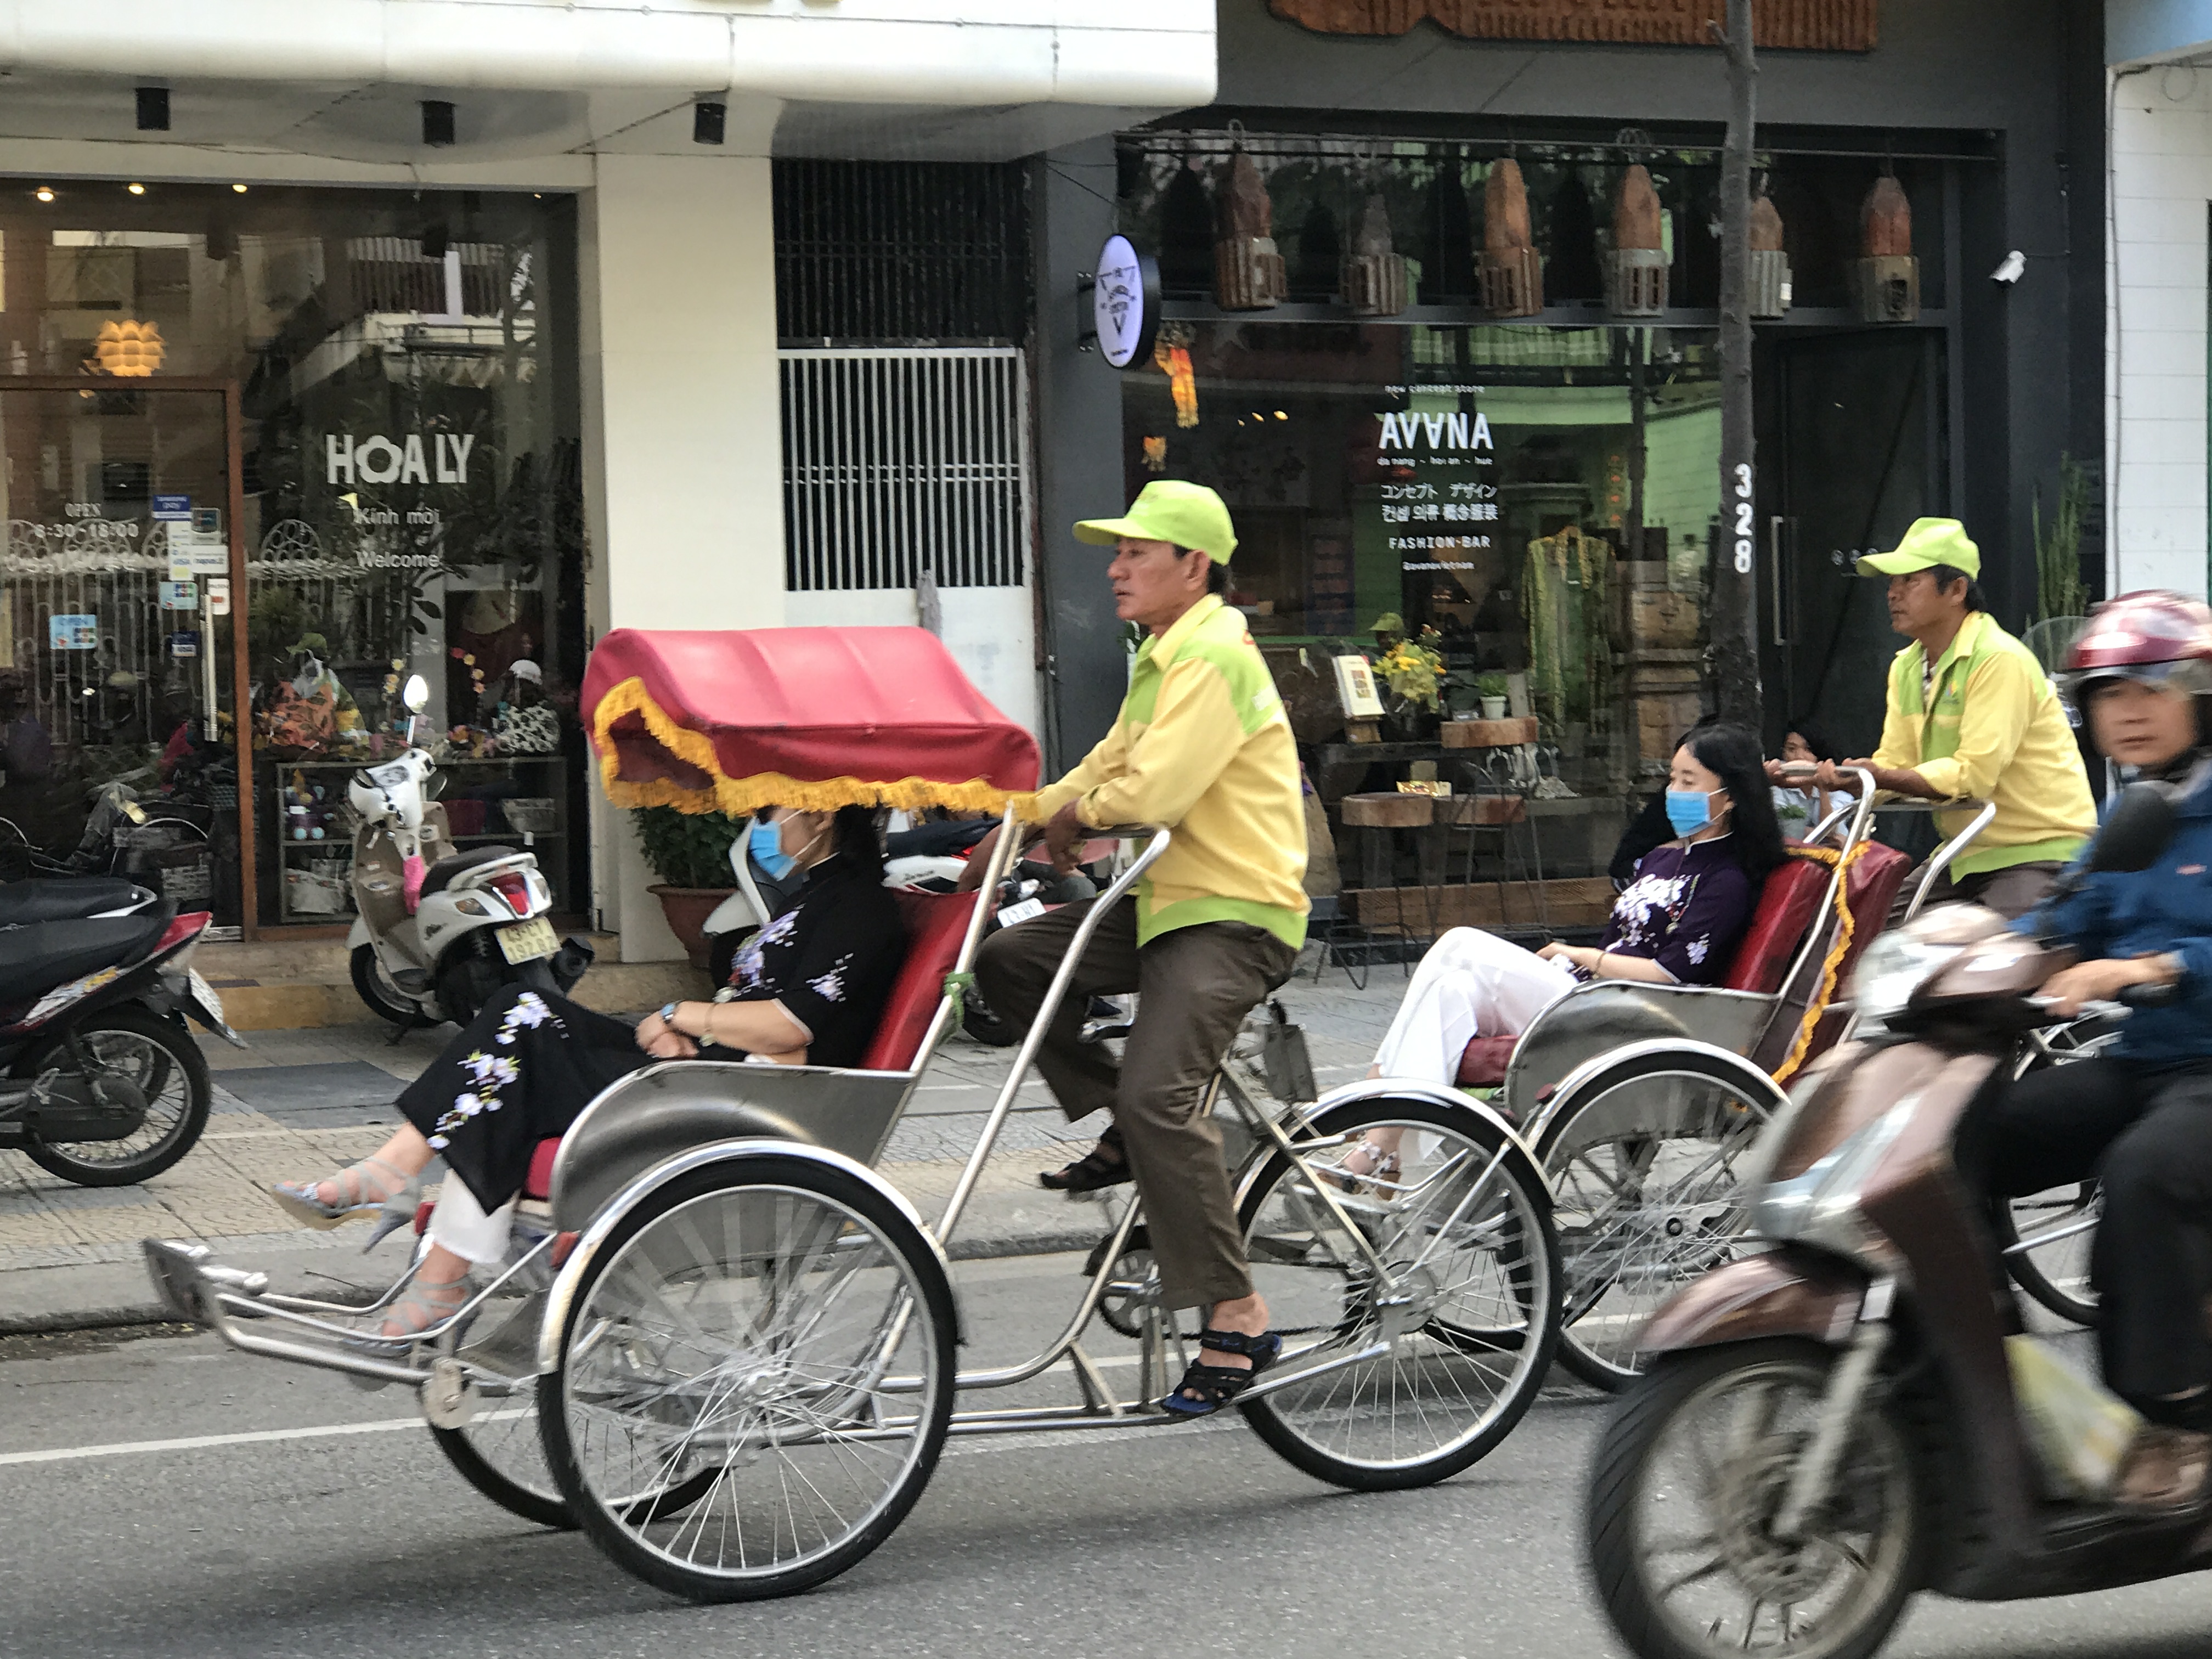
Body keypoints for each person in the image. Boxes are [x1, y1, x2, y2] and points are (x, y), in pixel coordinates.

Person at [269, 804, 906, 1340]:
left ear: (819, 814)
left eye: (772, 811)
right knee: (520, 1022)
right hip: (708, 1068)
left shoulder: (857, 907)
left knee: (522, 1030)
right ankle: (411, 1216)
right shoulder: (819, 893)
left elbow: (792, 1028)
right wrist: (689, 1023)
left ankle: (408, 1211)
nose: (764, 823)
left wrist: (686, 1013)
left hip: (742, 1090)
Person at [966, 479, 1308, 1419]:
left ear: (1192, 565)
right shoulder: (1162, 655)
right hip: (1162, 905)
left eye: (1135, 552)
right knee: (1009, 960)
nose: (1114, 568)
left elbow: (1145, 793)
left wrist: (1073, 820)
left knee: (1163, 1097)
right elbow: (1103, 764)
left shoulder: (1212, 657)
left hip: (1234, 911)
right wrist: (1006, 828)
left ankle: (1236, 1314)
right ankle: (1119, 1122)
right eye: (1115, 552)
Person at [1973, 591, 2212, 1510]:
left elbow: (2124, 957)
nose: (2129, 707)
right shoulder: (2133, 815)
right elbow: (2064, 913)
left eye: (2153, 685)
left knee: (2141, 1170)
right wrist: (1967, 950)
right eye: (2108, 691)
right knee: (1971, 1134)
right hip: (2146, 1062)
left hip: (2204, 1068)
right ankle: (1984, 1360)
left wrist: (2141, 966)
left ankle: (2173, 1417)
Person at [1340, 724, 1784, 1182]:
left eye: (1689, 782)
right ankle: (1382, 1146)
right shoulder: (1661, 859)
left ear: (1729, 797)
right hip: (1587, 992)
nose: (1674, 792)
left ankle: (1370, 1096)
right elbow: (1617, 937)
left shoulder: (1726, 881)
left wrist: (1582, 956)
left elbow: (1670, 973)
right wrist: (1577, 959)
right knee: (1451, 990)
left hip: (1635, 1015)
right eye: (1672, 779)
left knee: (1458, 943)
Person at [1796, 518, 2094, 918]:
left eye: (1910, 581)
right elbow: (1896, 764)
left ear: (1957, 590)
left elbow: (1974, 776)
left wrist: (1879, 776)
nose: (1893, 593)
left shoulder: (1997, 659)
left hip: (2039, 854)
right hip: (1963, 854)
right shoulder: (1907, 667)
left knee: (1998, 963)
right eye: (1891, 582)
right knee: (1861, 935)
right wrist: (1820, 776)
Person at [1769, 723, 1856, 840]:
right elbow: (1782, 828)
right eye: (1791, 749)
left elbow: (1830, 831)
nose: (1799, 756)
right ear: (1783, 753)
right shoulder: (1775, 781)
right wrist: (1822, 835)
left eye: (1808, 750)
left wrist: (1823, 789)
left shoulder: (1838, 787)